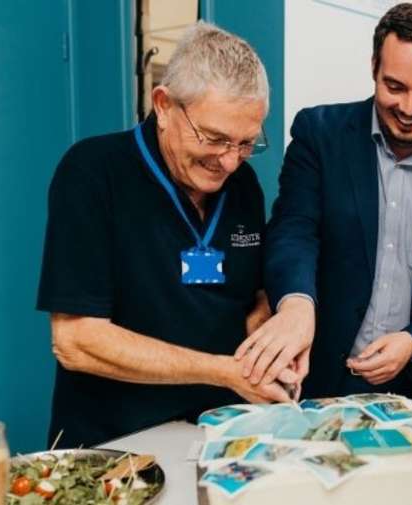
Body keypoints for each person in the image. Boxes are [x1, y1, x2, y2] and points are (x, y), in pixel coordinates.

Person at [236, 2, 412, 424]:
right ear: (373, 66)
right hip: (316, 377)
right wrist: (296, 305)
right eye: (395, 86)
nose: (410, 108)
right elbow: (294, 231)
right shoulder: (320, 135)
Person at [37, 22, 295, 449]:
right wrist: (222, 370)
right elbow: (76, 340)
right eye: (214, 138)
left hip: (218, 435)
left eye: (247, 142)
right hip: (115, 444)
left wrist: (269, 344)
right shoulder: (91, 173)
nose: (230, 162)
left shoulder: (243, 186)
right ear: (164, 106)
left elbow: (250, 298)